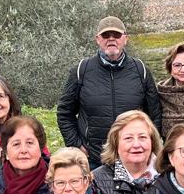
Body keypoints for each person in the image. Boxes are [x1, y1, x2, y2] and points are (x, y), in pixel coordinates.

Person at [56, 16, 161, 154]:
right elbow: (65, 112)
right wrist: (76, 145)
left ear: (125, 39)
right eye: (105, 35)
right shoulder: (81, 70)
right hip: (94, 158)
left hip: (132, 156)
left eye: (116, 34)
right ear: (98, 39)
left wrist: (150, 145)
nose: (111, 39)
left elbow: (155, 114)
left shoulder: (141, 70)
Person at [0, 114, 54, 194]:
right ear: (5, 151)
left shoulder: (57, 183)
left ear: (41, 147)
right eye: (16, 144)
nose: (23, 150)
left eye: (30, 143)